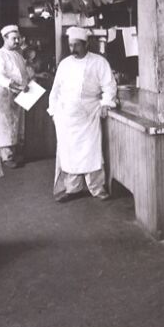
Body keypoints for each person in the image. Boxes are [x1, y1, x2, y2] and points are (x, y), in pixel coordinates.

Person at [49, 27, 117, 202]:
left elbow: (109, 86)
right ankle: (73, 188)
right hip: (66, 116)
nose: (72, 50)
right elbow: (55, 89)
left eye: (76, 45)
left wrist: (105, 103)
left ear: (86, 44)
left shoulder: (99, 62)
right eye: (70, 45)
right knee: (69, 153)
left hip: (89, 115)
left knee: (91, 152)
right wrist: (54, 110)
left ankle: (96, 187)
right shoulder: (65, 64)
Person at [0, 24, 32, 169]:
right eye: (14, 39)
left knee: (17, 123)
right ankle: (6, 156)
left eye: (18, 38)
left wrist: (28, 82)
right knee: (5, 124)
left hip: (19, 92)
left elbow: (23, 73)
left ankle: (16, 153)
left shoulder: (18, 55)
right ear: (5, 38)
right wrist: (12, 84)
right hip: (4, 92)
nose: (17, 41)